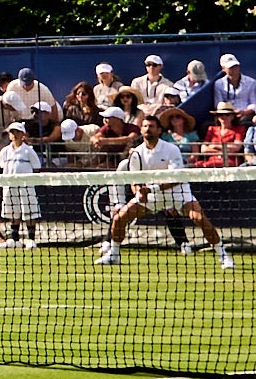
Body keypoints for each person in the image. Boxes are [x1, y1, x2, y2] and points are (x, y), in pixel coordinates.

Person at [98, 107, 232, 270]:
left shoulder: (171, 149)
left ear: (159, 130)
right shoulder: (137, 153)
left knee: (199, 219)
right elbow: (134, 180)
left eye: (152, 126)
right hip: (152, 198)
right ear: (141, 129)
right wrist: (139, 191)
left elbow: (174, 178)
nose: (148, 129)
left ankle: (223, 255)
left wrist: (151, 189)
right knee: (119, 218)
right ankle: (114, 253)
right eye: (145, 126)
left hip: (178, 194)